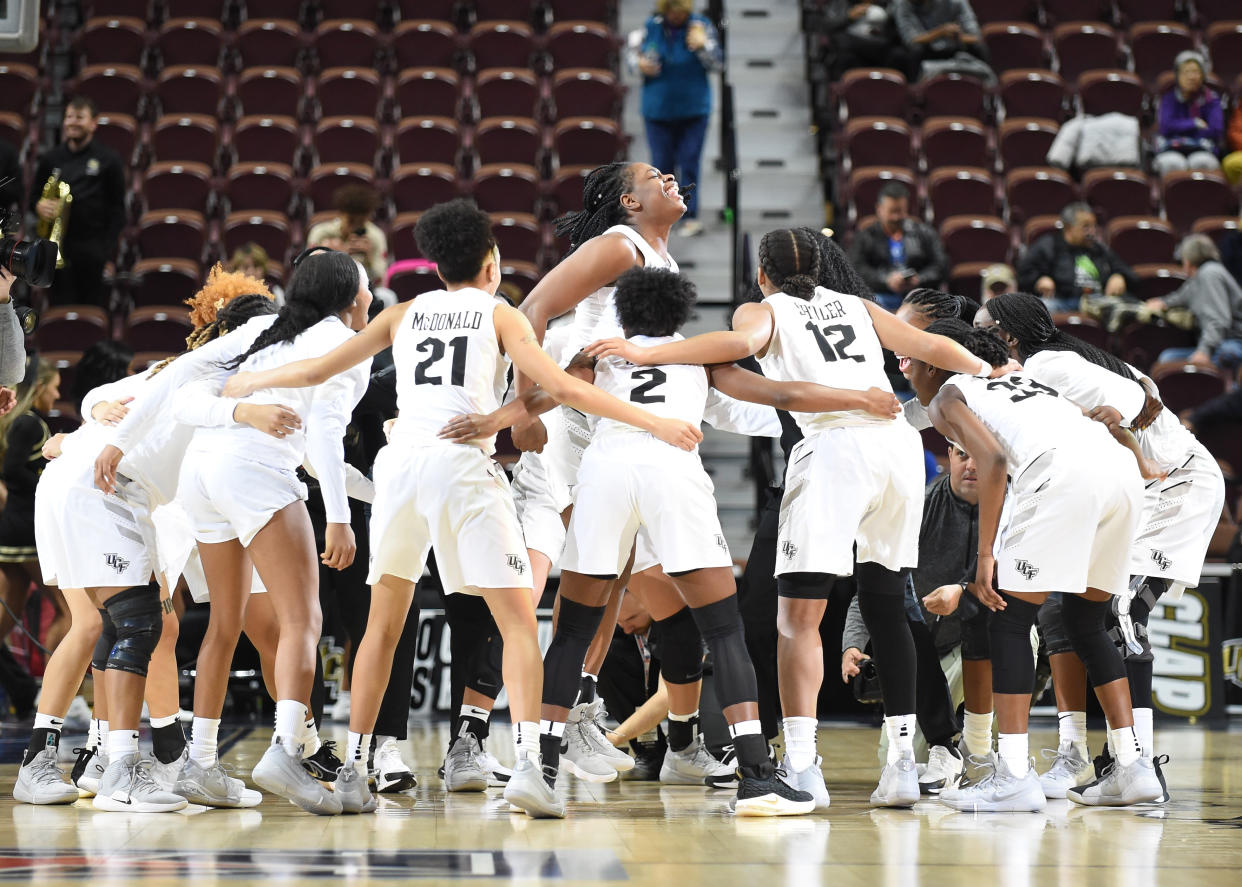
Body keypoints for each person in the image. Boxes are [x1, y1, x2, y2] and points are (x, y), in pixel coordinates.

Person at [221, 198, 705, 819]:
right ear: (492, 262)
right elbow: (557, 389)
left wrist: (248, 384)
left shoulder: (401, 312)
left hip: (400, 468)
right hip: (463, 468)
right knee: (517, 623)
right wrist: (652, 420)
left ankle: (355, 773)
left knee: (382, 628)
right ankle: (531, 769)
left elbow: (319, 366)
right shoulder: (501, 315)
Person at [586, 226, 1003, 808]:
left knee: (797, 619)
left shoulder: (766, 309)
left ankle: (804, 767)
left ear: (764, 274)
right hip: (897, 451)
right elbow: (934, 348)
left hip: (834, 451)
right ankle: (905, 762)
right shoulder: (858, 305)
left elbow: (731, 348)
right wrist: (992, 374)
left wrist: (648, 351)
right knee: (887, 603)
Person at [464, 265, 901, 815]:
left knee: (573, 627)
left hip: (606, 468)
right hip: (672, 469)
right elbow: (771, 399)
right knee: (722, 628)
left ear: (623, 311)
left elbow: (543, 397)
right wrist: (856, 400)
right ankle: (757, 775)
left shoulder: (600, 355)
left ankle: (539, 767)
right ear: (680, 314)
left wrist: (485, 423)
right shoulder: (699, 355)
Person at [15, 290, 281, 810]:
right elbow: (103, 400)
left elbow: (104, 401)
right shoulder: (213, 381)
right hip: (102, 488)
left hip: (90, 485)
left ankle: (83, 760)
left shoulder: (189, 371)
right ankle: (120, 767)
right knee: (137, 623)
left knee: (112, 626)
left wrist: (76, 434)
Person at [979, 292, 1226, 803]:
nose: (975, 340)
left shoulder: (1047, 364)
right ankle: (1075, 754)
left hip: (1171, 482)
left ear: (1007, 334)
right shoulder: (1061, 356)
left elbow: (1130, 406)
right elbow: (1141, 396)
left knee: (1122, 610)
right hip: (1128, 485)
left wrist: (1135, 441)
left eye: (983, 329)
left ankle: (1137, 763)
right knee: (1060, 611)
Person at [907, 318, 1163, 811]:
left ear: (937, 359)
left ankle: (1013, 775)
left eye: (910, 357)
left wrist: (985, 557)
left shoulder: (949, 394)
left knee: (1005, 615)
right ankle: (1133, 768)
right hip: (1119, 478)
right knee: (1089, 622)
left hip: (1061, 477)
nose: (906, 367)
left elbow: (993, 463)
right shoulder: (1028, 377)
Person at [842, 441, 980, 792]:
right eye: (963, 454)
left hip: (985, 638)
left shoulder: (1014, 503)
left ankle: (982, 745)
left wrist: (964, 592)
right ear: (948, 455)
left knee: (1005, 626)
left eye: (981, 455)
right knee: (895, 755)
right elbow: (877, 592)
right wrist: (853, 643)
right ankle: (951, 746)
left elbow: (1025, 589)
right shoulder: (917, 507)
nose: (972, 465)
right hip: (932, 649)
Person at [633, 0, 721, 237]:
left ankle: (689, 216)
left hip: (693, 110)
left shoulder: (701, 26)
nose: (675, 15)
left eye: (679, 11)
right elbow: (633, 60)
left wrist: (703, 47)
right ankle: (662, 216)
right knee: (661, 166)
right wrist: (638, 64)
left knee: (690, 163)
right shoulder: (651, 26)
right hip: (658, 110)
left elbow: (718, 63)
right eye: (671, 10)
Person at [28, 96, 126, 308]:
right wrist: (39, 206)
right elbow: (32, 198)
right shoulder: (50, 159)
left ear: (93, 123)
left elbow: (118, 211)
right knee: (58, 310)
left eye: (79, 117)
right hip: (56, 248)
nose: (72, 122)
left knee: (91, 310)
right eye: (69, 117)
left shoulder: (109, 160)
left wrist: (106, 252)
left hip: (92, 248)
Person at [1144, 234, 1242, 373]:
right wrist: (1162, 303)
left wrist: (1204, 351)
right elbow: (1181, 296)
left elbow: (1218, 320)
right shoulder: (1202, 275)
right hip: (1221, 343)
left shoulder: (1210, 274)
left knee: (1226, 352)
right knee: (1167, 358)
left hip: (1234, 344)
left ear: (1188, 262)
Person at [1016, 202, 1136, 314]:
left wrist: (1119, 276)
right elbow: (1023, 273)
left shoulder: (1099, 249)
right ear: (1068, 228)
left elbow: (1127, 271)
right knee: (1038, 309)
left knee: (1128, 307)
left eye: (1094, 226)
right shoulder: (1049, 245)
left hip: (1097, 301)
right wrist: (1038, 280)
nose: (1092, 232)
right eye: (1086, 227)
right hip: (1061, 302)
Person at [849, 182, 949, 311]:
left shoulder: (924, 233)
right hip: (879, 296)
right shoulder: (865, 236)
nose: (896, 217)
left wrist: (919, 278)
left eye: (900, 211)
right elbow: (856, 268)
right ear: (879, 209)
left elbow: (941, 265)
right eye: (892, 211)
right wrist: (886, 280)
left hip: (918, 295)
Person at [1152, 51, 1224, 178]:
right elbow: (1165, 128)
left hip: (1203, 148)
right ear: (1177, 76)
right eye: (1186, 72)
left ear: (1203, 75)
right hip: (1171, 147)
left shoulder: (1211, 99)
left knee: (1201, 162)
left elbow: (1215, 130)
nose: (1191, 77)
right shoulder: (1168, 98)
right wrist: (1194, 123)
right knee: (1171, 163)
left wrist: (1180, 129)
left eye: (1196, 72)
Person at [306, 185, 390, 286]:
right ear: (340, 214)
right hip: (327, 288)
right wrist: (337, 257)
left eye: (361, 222)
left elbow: (379, 280)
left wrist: (369, 259)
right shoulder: (321, 233)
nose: (355, 227)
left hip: (363, 289)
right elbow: (306, 273)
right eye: (351, 221)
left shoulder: (375, 236)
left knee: (386, 295)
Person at [890, 0, 990, 80]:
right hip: (927, 51)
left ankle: (985, 89)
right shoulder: (902, 4)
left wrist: (957, 36)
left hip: (955, 46)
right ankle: (915, 94)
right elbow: (911, 40)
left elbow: (975, 37)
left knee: (979, 48)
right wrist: (941, 32)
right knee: (910, 52)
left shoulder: (956, 2)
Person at [820, 1, 913, 81]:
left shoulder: (887, 5)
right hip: (853, 48)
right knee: (844, 53)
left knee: (900, 55)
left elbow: (898, 31)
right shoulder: (842, 3)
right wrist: (848, 17)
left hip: (881, 48)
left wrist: (884, 31)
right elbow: (828, 26)